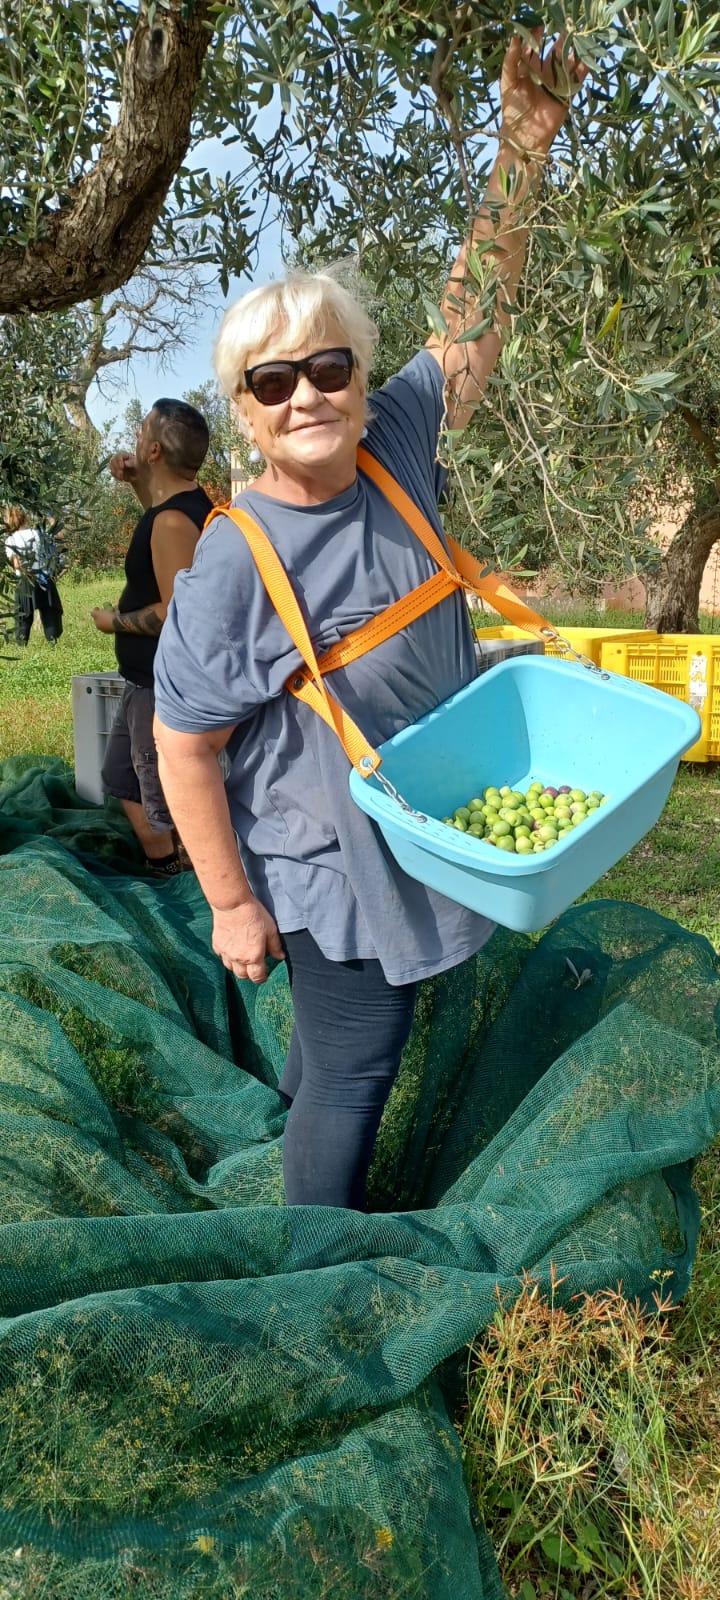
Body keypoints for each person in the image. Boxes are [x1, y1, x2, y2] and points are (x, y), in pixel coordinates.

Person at [153, 32, 587, 1206]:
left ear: (359, 376)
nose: (309, 396)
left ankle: (300, 1130)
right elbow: (182, 743)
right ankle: (314, 1291)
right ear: (244, 413)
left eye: (328, 368)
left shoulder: (392, 441)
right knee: (358, 1063)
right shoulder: (234, 560)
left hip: (423, 816)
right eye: (274, 382)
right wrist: (233, 903)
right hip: (329, 855)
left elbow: (472, 322)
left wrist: (521, 152)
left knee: (331, 1046)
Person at [92, 399, 213, 877]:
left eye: (142, 432)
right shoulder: (170, 510)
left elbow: (173, 611)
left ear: (156, 449)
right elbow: (155, 515)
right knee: (121, 779)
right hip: (143, 681)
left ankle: (202, 886)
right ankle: (164, 867)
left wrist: (114, 622)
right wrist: (130, 477)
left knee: (168, 794)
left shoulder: (172, 522)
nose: (135, 439)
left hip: (163, 687)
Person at [3, 506, 64, 646]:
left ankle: (21, 648)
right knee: (49, 615)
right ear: (26, 518)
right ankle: (53, 646)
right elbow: (58, 533)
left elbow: (17, 565)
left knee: (23, 618)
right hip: (44, 579)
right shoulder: (38, 534)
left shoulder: (10, 540)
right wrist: (48, 514)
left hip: (25, 581)